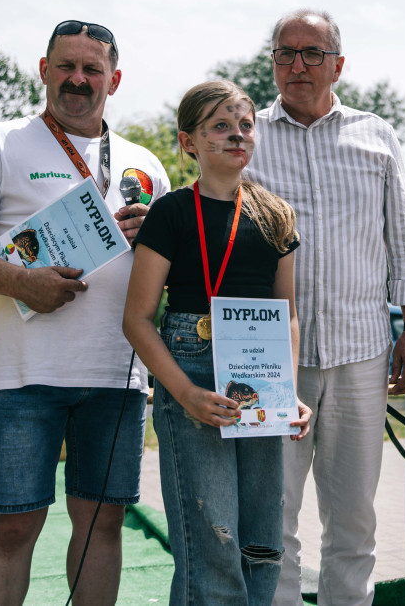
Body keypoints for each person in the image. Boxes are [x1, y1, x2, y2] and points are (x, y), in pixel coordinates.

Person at [0, 20, 169, 604]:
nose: (78, 79)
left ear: (115, 78)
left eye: (92, 69)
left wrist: (156, 246)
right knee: (13, 524)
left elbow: (167, 275)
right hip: (23, 374)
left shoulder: (145, 165)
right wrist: (22, 282)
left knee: (102, 525)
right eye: (66, 66)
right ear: (44, 70)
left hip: (117, 374)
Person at [242, 8, 405, 605]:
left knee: (353, 517)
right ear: (272, 60)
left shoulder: (375, 134)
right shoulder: (245, 131)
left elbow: (404, 237)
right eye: (284, 53)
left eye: (312, 53)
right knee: (270, 515)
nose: (297, 65)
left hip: (361, 351)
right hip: (270, 353)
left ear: (338, 64)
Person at [123, 80, 311, 605]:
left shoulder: (276, 215)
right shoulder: (171, 212)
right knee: (211, 537)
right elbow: (137, 319)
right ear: (189, 141)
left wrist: (286, 392)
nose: (236, 136)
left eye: (245, 125)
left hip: (260, 375)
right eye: (220, 127)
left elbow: (288, 315)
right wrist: (183, 394)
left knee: (260, 538)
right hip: (191, 369)